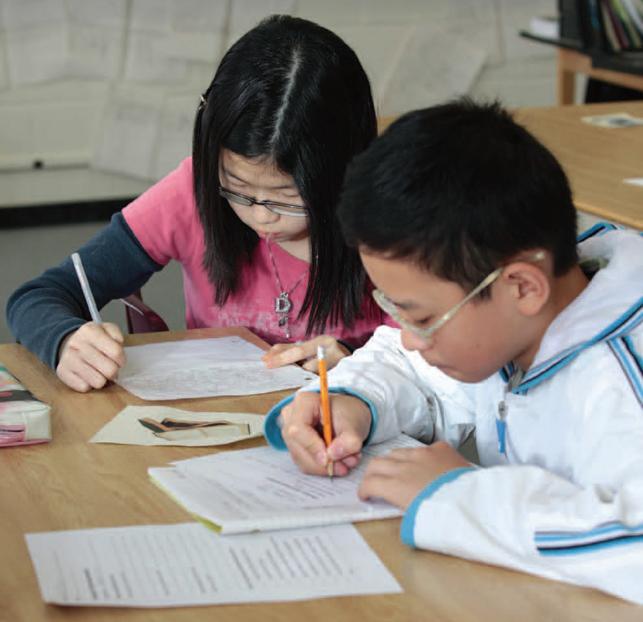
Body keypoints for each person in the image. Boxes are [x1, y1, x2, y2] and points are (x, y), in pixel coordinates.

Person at [264, 99, 643, 604]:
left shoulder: (620, 382)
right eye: (394, 311)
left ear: (522, 288)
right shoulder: (518, 318)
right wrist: (353, 400)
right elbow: (416, 371)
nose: (409, 337)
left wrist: (457, 493)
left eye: (421, 318)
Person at [6, 15, 383, 392]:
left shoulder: (391, 222)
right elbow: (38, 298)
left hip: (344, 435)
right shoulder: (191, 192)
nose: (260, 214)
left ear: (346, 167)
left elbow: (435, 370)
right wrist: (66, 340)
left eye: (288, 198)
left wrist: (359, 366)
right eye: (237, 187)